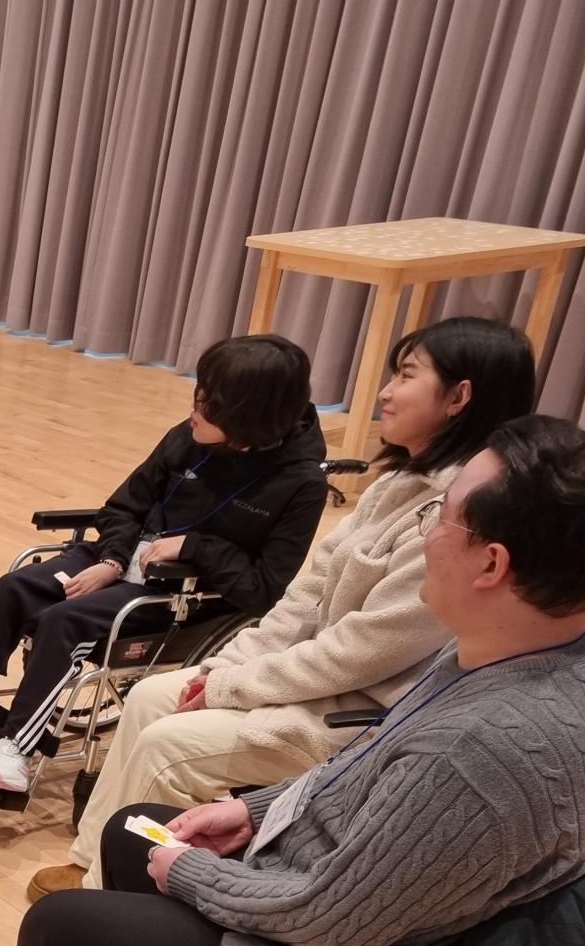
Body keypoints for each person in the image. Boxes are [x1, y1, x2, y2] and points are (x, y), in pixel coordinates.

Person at [0, 414, 585, 946]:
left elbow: (330, 921)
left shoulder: (477, 754)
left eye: (440, 516)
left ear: (491, 565)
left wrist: (193, 875)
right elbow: (364, 763)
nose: (425, 532)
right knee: (131, 831)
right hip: (343, 902)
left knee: (59, 930)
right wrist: (254, 811)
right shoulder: (562, 653)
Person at [30, 316, 536, 897]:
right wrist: (222, 668)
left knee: (167, 746)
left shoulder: (452, 519)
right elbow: (302, 602)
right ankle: (94, 859)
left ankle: (107, 894)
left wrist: (231, 687)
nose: (385, 392)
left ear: (458, 397)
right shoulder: (393, 485)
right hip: (308, 682)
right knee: (149, 697)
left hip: (353, 714)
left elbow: (359, 654)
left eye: (405, 375)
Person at [0, 335, 327, 793]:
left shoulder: (301, 484)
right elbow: (123, 506)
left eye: (212, 403)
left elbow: (264, 589)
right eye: (200, 393)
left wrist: (193, 547)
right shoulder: (188, 436)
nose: (196, 407)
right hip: (121, 559)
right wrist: (112, 559)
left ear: (251, 415)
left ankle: (18, 749)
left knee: (64, 620)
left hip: (181, 596)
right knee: (12, 589)